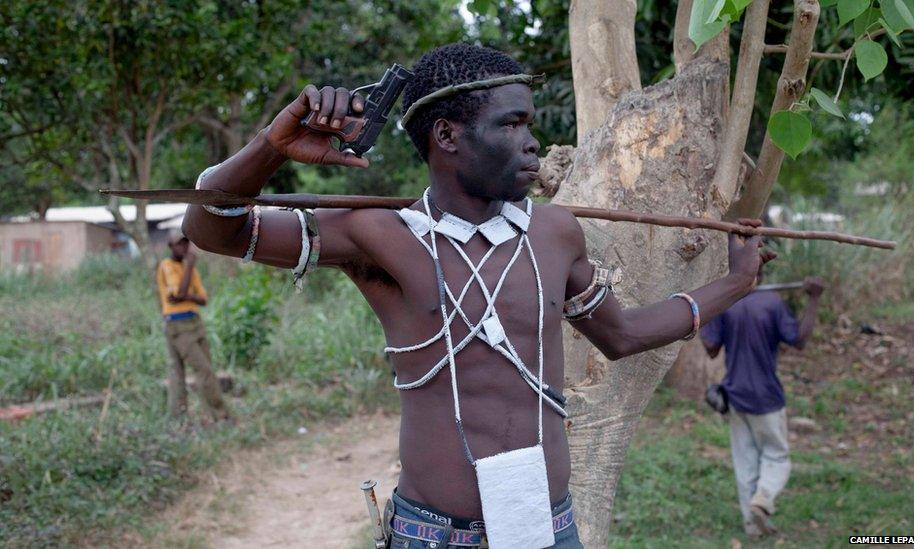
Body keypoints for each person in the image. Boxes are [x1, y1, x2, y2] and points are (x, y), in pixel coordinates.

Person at [183, 43, 774, 548]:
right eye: (512, 124)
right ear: (447, 135)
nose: (532, 144)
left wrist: (735, 282)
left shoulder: (554, 232)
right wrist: (275, 145)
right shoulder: (376, 235)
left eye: (530, 125)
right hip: (432, 535)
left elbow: (621, 335)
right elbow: (214, 228)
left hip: (547, 526)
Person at [701, 273, 825, 538]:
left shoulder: (726, 305)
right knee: (777, 457)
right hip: (767, 398)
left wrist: (703, 308)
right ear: (763, 270)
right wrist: (814, 300)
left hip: (735, 396)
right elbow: (799, 340)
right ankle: (764, 498)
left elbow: (711, 347)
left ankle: (751, 526)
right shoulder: (771, 303)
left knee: (745, 461)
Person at [156, 232, 231, 423]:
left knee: (201, 370)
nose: (184, 248)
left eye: (186, 244)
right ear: (170, 247)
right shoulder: (168, 266)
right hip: (177, 324)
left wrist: (185, 296)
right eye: (179, 245)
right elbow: (179, 292)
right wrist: (189, 268)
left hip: (195, 322)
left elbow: (202, 299)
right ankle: (219, 416)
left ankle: (189, 416)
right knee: (202, 370)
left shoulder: (191, 270)